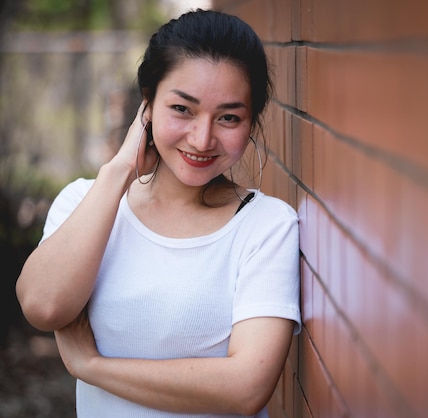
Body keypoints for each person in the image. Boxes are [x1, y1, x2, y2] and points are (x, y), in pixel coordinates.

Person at [15, 9, 301, 418]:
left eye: (229, 117)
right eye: (182, 109)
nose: (202, 139)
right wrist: (118, 173)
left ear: (252, 122)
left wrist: (92, 367)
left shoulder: (267, 226)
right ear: (146, 105)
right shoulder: (85, 201)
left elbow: (246, 388)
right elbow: (43, 307)